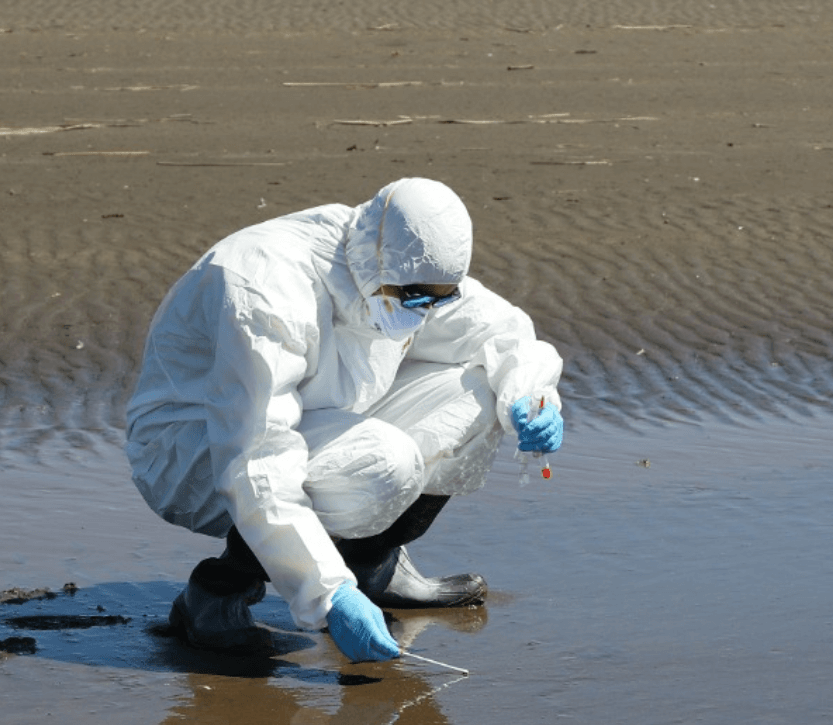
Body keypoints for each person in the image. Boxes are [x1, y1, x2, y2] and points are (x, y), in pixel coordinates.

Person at [125, 177, 564, 663]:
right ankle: (217, 593)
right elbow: (257, 456)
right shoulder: (266, 290)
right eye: (416, 297)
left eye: (440, 298)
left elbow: (501, 333)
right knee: (381, 463)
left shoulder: (401, 266)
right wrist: (327, 595)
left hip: (320, 416)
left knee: (480, 393)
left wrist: (532, 395)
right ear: (375, 263)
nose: (426, 311)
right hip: (196, 445)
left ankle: (373, 565)